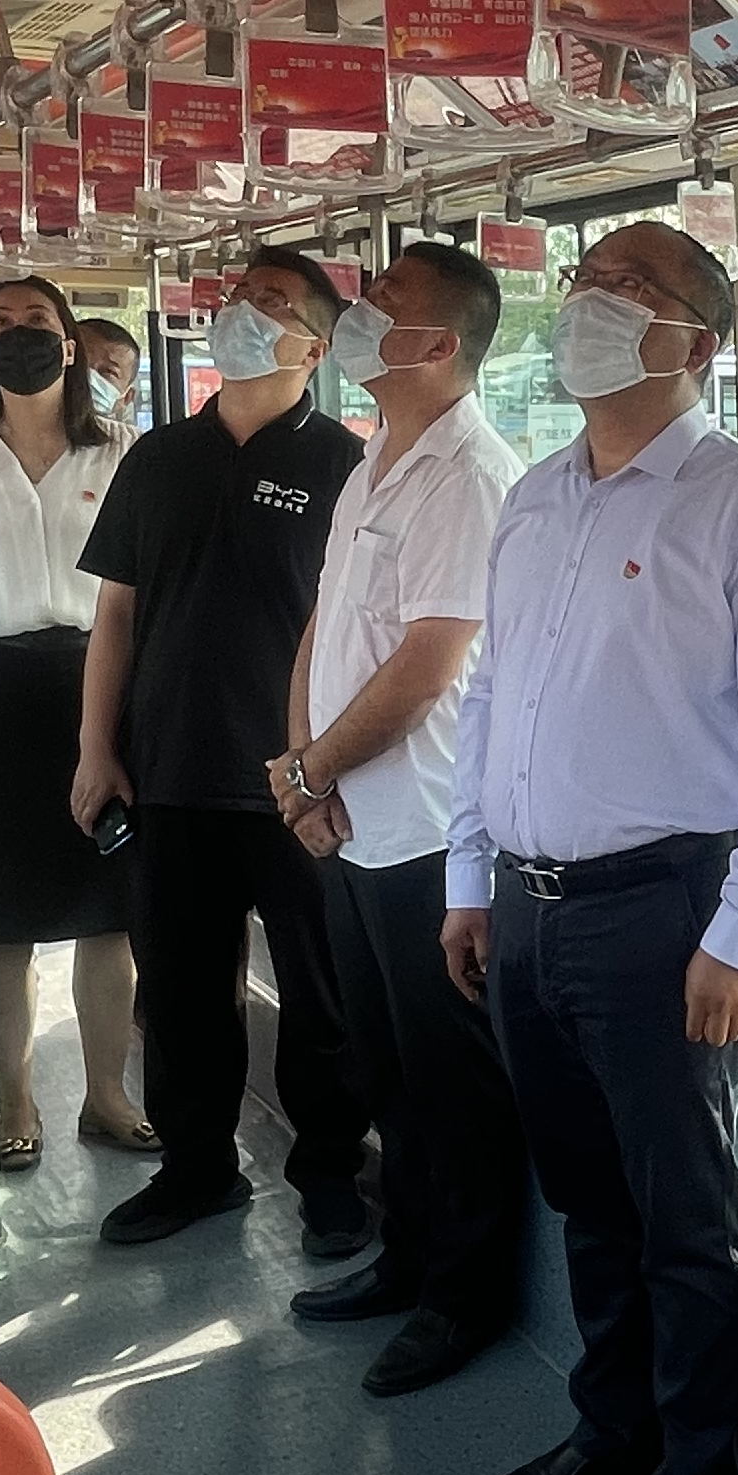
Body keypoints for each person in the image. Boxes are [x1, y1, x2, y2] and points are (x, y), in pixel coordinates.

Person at [444, 219, 738, 1475]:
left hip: (669, 910)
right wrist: (468, 878)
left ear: (699, 342)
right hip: (531, 907)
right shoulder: (537, 497)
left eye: (629, 288)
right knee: (588, 1200)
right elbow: (493, 698)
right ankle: (611, 1431)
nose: (590, 304)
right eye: (585, 282)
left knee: (684, 1221)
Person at [70, 249, 372, 1253]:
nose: (244, 310)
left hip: (297, 779)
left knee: (321, 992)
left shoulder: (346, 467)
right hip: (167, 768)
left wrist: (323, 762)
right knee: (181, 991)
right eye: (241, 295)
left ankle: (330, 1173)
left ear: (314, 349)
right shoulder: (157, 458)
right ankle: (198, 1170)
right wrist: (95, 748)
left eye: (273, 302)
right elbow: (116, 615)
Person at [273, 241, 534, 1395]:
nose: (361, 311)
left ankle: (464, 1298)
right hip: (348, 821)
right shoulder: (376, 454)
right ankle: (409, 1255)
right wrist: (302, 769)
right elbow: (324, 625)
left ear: (437, 344)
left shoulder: (470, 478)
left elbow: (429, 666)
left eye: (386, 301)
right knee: (383, 1065)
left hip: (428, 833)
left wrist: (313, 772)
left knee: (450, 1083)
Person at [0, 275, 147, 1165]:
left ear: (68, 341)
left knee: (109, 911)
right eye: (0, 322)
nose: (18, 332)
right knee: (1, 914)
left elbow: (144, 591)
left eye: (36, 319)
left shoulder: (123, 452)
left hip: (98, 686)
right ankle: (16, 1099)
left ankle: (107, 1094)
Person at [77, 313, 144, 437]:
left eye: (108, 371)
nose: (88, 375)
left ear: (127, 397)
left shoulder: (131, 445)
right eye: (79, 362)